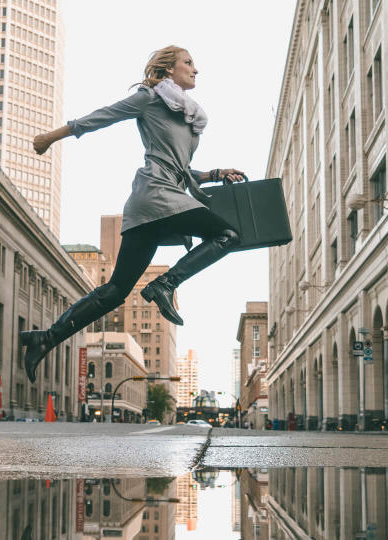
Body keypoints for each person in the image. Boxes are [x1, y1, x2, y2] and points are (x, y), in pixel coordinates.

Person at [19, 45, 245, 383]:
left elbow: (182, 170)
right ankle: (166, 284)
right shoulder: (149, 98)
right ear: (169, 70)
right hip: (155, 198)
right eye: (189, 63)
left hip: (158, 204)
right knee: (227, 235)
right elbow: (102, 116)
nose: (195, 70)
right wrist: (50, 138)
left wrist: (214, 174)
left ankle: (44, 339)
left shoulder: (186, 114)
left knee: (115, 291)